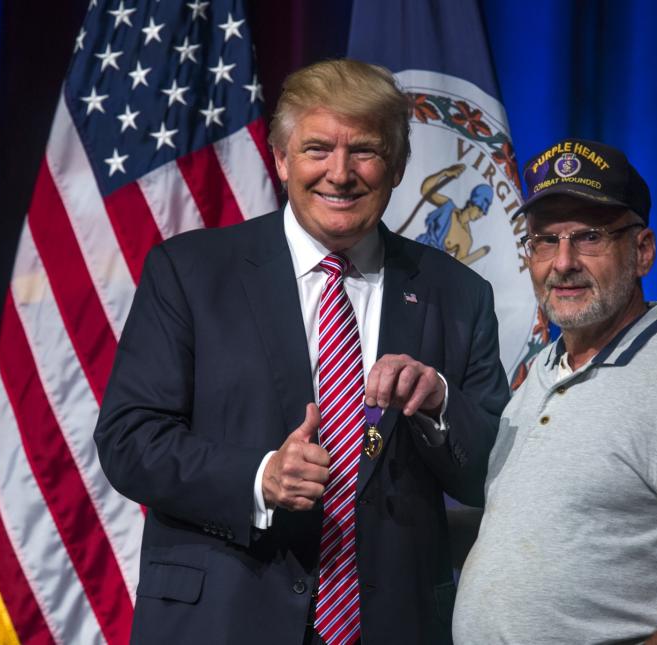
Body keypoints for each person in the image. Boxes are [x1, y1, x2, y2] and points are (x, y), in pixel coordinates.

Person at [95, 59, 509, 645]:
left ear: (396, 166)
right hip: (221, 620)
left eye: (364, 150)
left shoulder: (457, 293)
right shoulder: (189, 273)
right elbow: (128, 440)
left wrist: (441, 404)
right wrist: (258, 477)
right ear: (282, 159)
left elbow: (490, 473)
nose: (339, 175)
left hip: (394, 624)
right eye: (317, 149)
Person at [452, 139, 657, 644]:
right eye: (543, 241)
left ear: (642, 251)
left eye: (588, 237)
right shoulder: (536, 375)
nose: (563, 263)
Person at [415, 163, 493, 265]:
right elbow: (425, 189)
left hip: (431, 266)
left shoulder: (466, 239)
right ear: (473, 203)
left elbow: (455, 269)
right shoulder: (448, 206)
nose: (481, 214)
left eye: (483, 212)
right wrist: (444, 173)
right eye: (480, 209)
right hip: (416, 250)